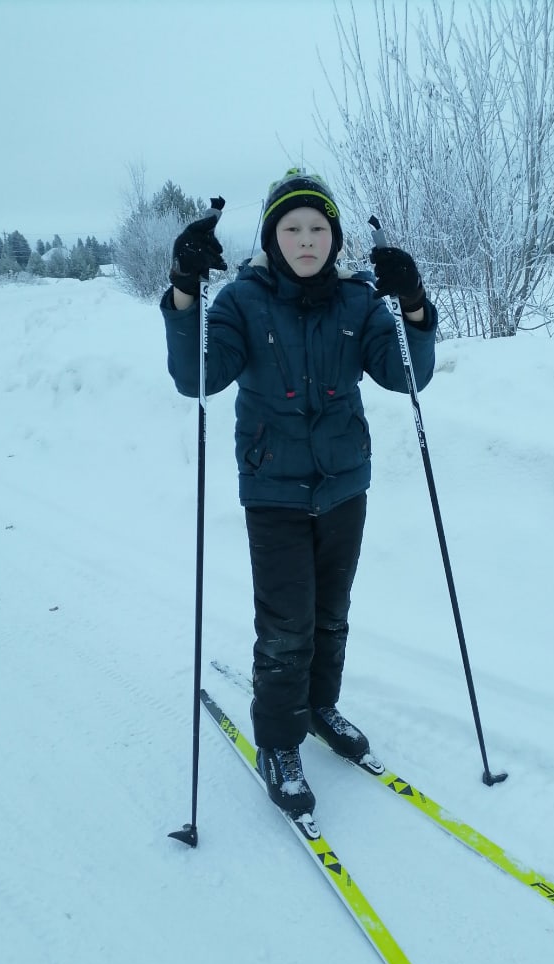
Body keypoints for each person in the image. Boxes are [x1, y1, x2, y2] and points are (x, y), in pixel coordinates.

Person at [161, 169, 437, 817]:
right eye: (292, 228)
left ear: (335, 238)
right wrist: (184, 290)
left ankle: (319, 706)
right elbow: (197, 377)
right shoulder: (242, 302)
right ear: (271, 237)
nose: (307, 239)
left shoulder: (358, 301)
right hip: (273, 490)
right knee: (287, 626)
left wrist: (413, 302)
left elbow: (407, 376)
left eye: (318, 228)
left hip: (345, 486)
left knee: (332, 613)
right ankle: (279, 741)